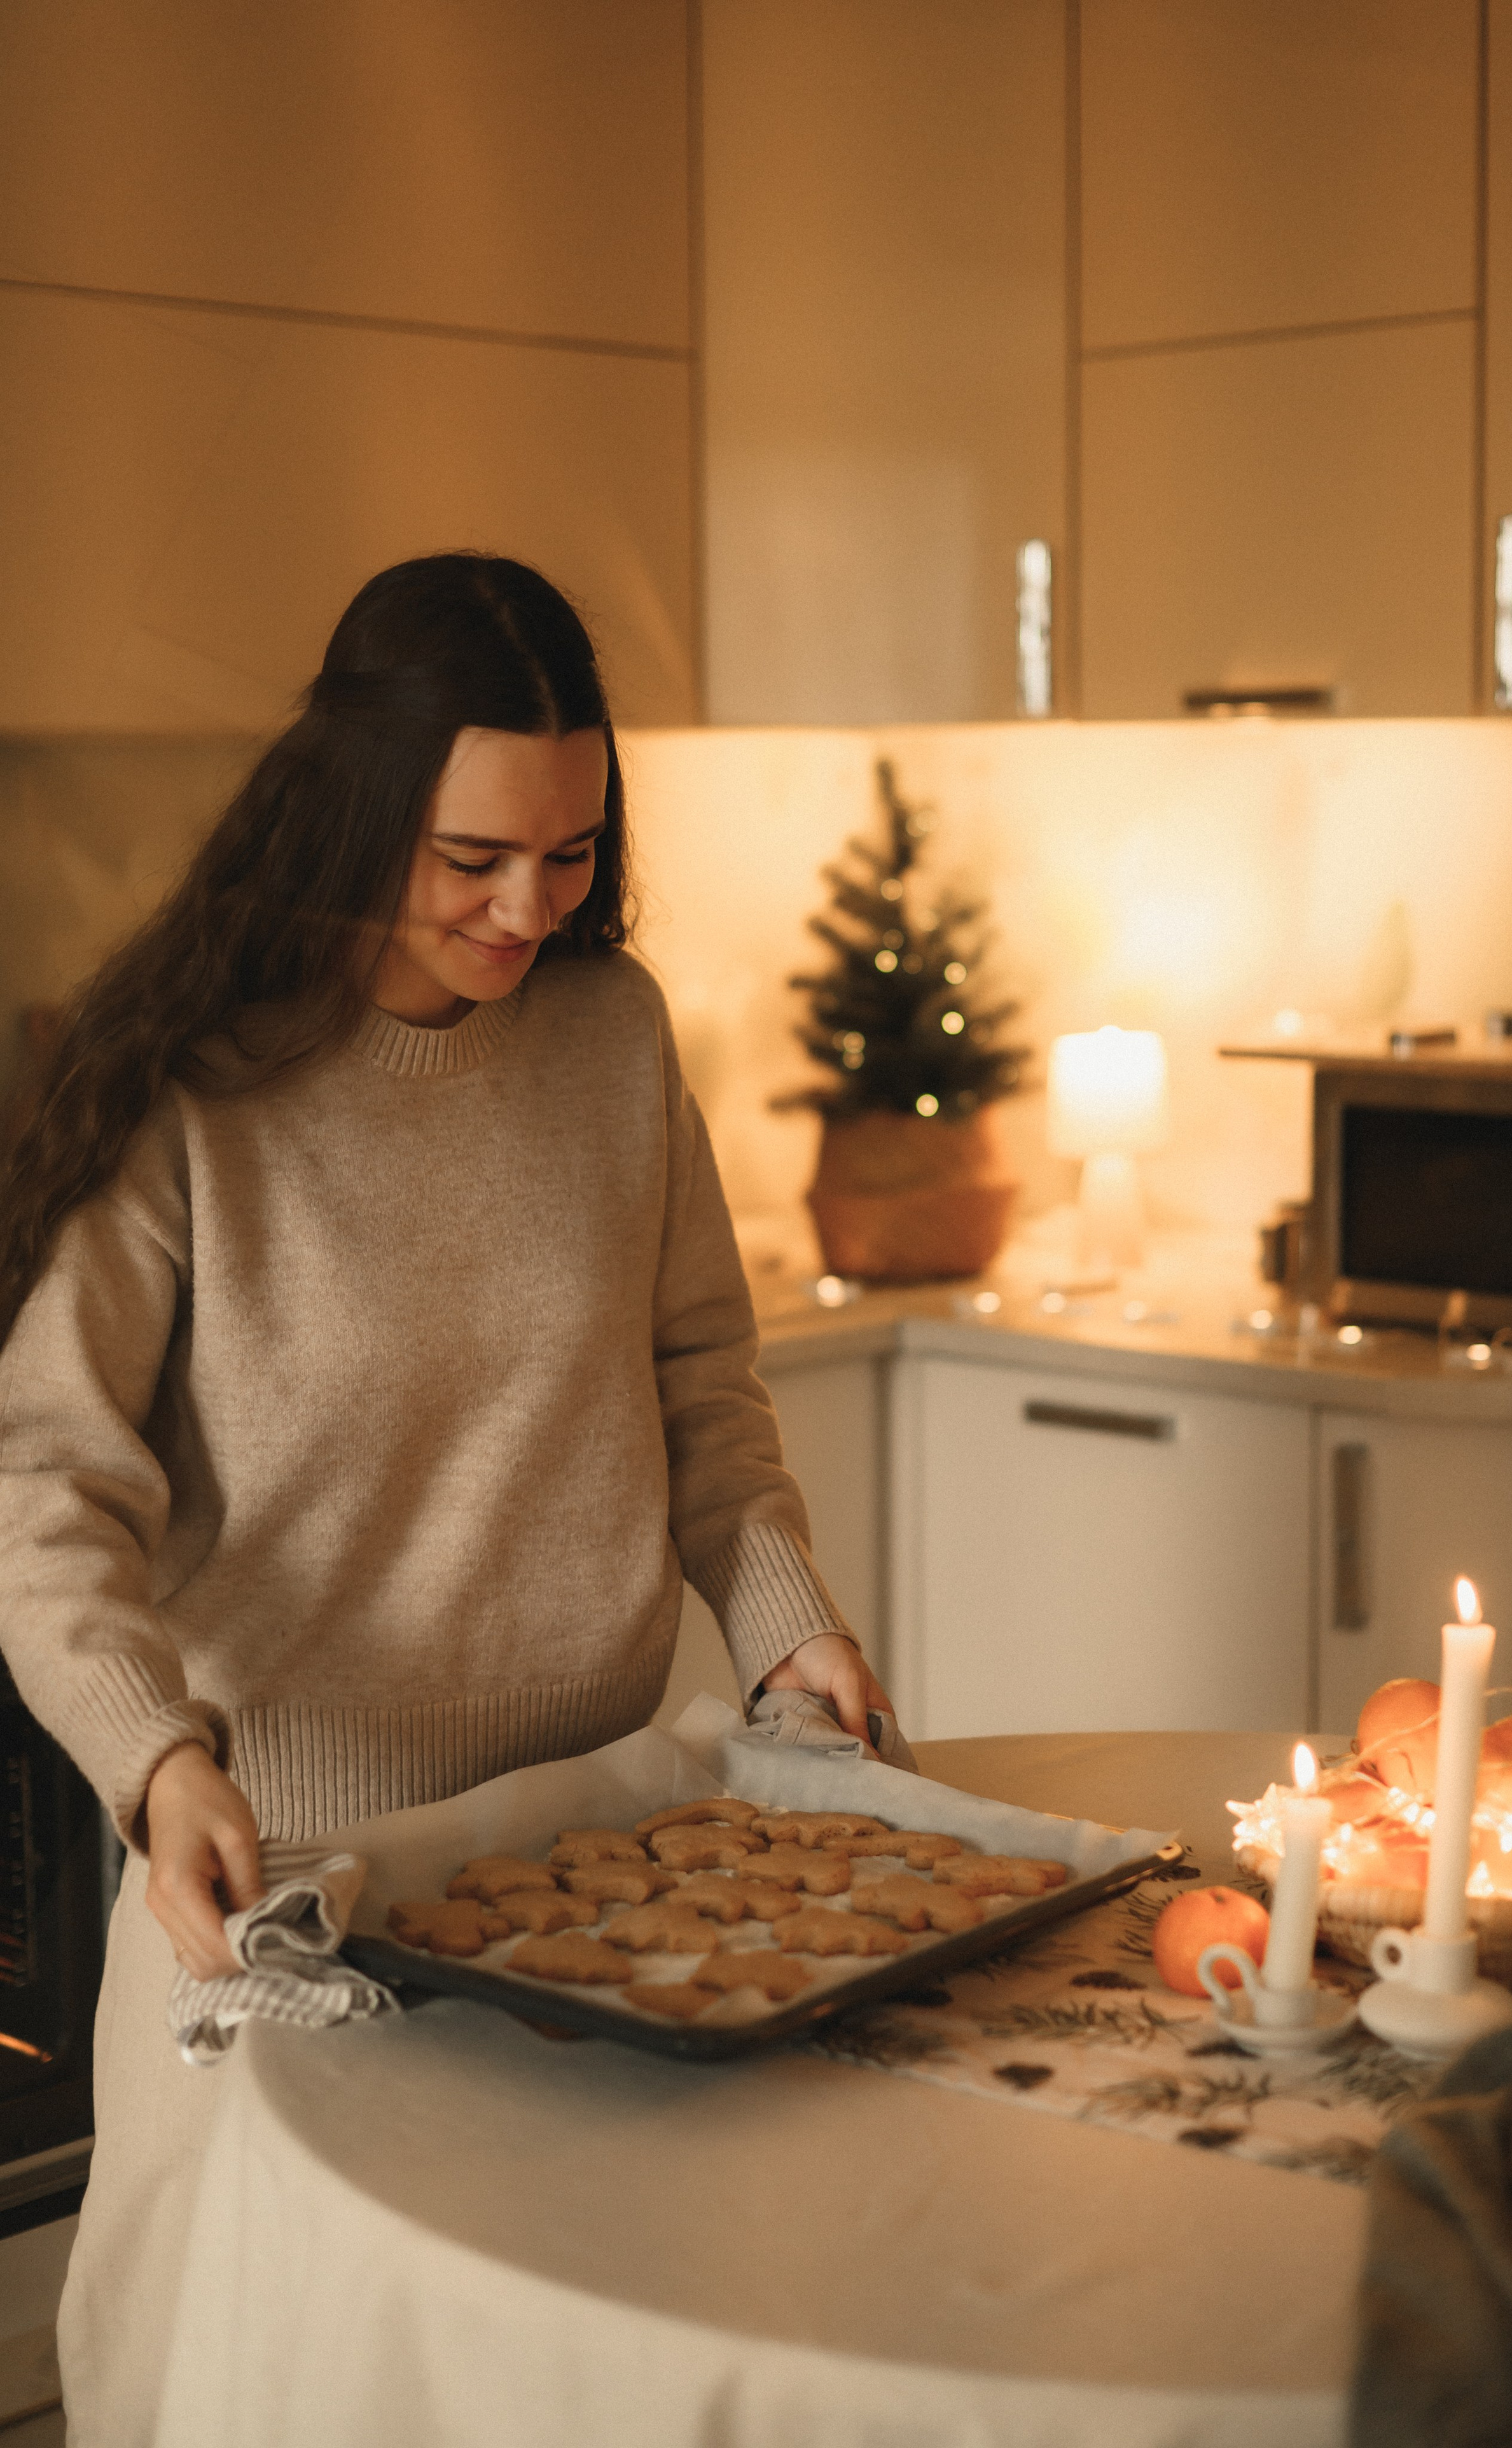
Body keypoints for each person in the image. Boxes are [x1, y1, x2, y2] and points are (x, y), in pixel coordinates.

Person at [0, 552, 891, 2444]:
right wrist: (156, 1764)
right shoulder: (189, 1087)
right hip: (264, 1897)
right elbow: (48, 1487)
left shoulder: (613, 1037)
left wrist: (788, 1629)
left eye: (570, 855)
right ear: (357, 805)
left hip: (593, 1875)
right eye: (473, 855)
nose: (525, 908)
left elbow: (700, 1396)